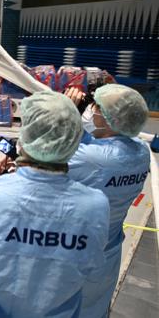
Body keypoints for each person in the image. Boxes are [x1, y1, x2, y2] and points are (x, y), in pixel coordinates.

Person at [0, 91, 110, 317]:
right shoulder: (96, 206)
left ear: (25, 136)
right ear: (73, 139)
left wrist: (3, 186)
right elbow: (90, 264)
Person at [64, 84, 150, 317]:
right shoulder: (141, 152)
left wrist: (68, 113)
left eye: (96, 107)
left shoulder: (92, 158)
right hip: (108, 248)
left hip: (74, 252)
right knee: (95, 308)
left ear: (110, 119)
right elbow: (95, 146)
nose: (91, 110)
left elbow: (50, 150)